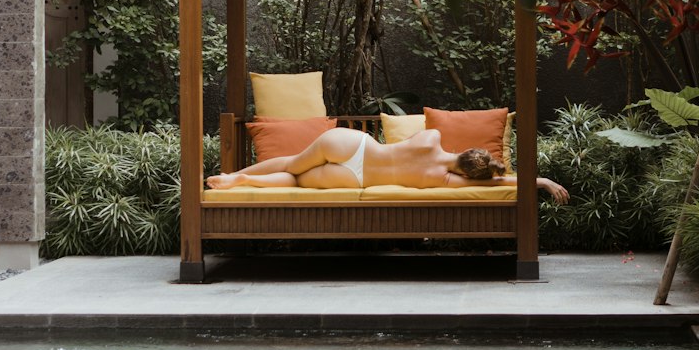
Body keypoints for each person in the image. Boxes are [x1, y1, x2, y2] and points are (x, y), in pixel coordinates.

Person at [207, 124, 569, 201]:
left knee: (291, 163)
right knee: (297, 181)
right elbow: (498, 184)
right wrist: (539, 180)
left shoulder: (433, 139)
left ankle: (234, 175)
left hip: (356, 145)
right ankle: (240, 183)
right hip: (354, 177)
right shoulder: (445, 180)